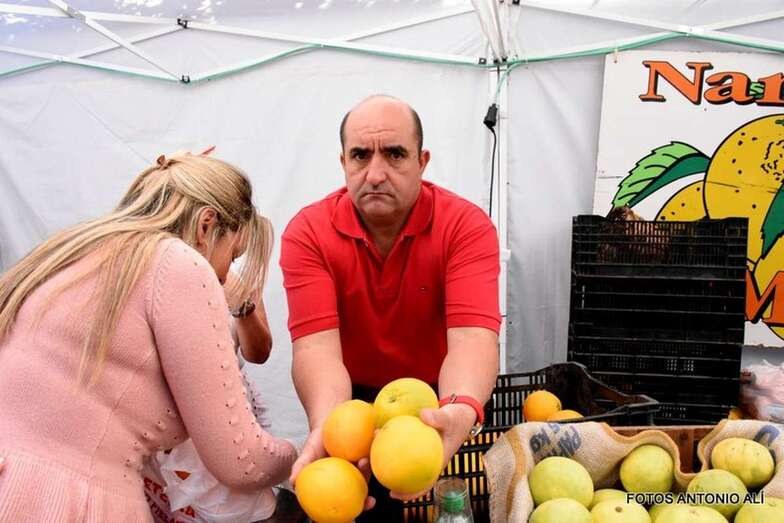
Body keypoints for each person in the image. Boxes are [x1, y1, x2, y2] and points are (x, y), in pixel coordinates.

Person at [0, 153, 297, 522]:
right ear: (206, 226)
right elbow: (241, 461)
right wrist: (301, 458)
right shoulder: (177, 263)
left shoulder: (75, 247)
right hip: (69, 501)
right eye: (231, 255)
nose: (224, 275)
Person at [280, 95, 501, 519]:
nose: (375, 173)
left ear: (422, 161)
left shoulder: (465, 226)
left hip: (439, 398)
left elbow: (474, 338)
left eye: (395, 154)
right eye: (361, 156)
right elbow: (315, 351)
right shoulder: (308, 233)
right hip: (352, 402)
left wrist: (459, 409)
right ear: (343, 161)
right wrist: (331, 431)